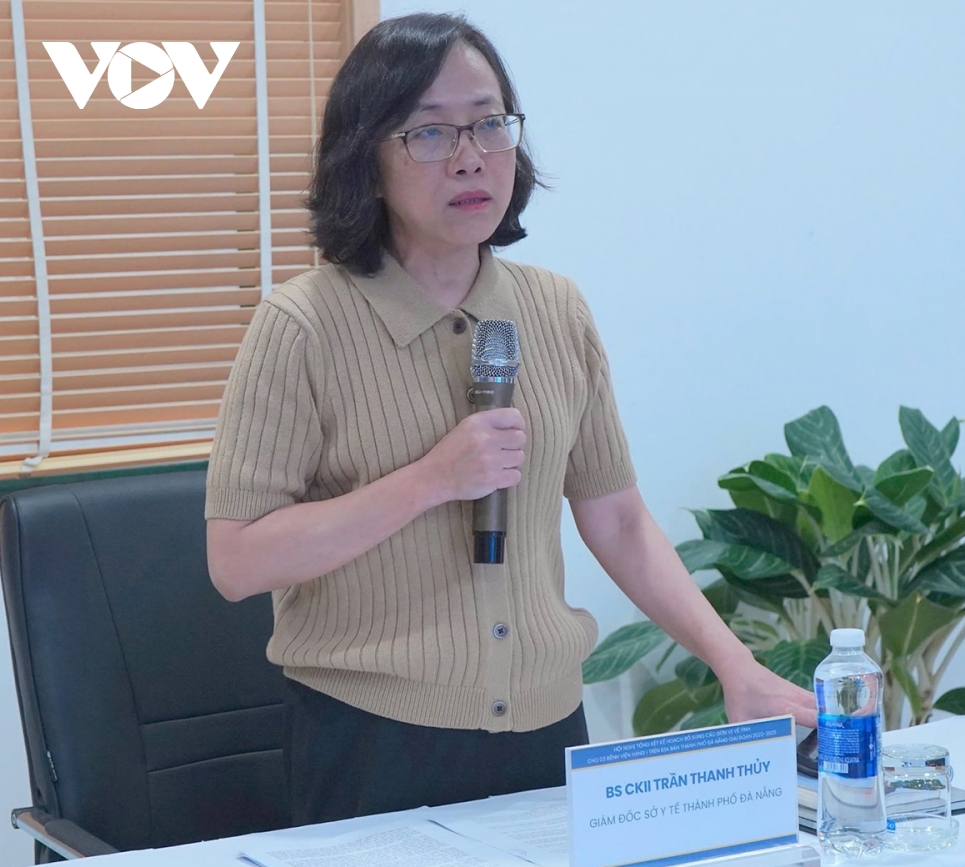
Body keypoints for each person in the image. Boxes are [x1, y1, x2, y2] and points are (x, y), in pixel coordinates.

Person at [204, 12, 816, 827]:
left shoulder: (556, 309)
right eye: (429, 132)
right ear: (366, 159)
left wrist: (734, 665)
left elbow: (618, 519)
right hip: (373, 741)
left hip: (546, 728)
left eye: (489, 124)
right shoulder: (301, 327)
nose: (470, 157)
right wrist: (429, 480)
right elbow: (237, 560)